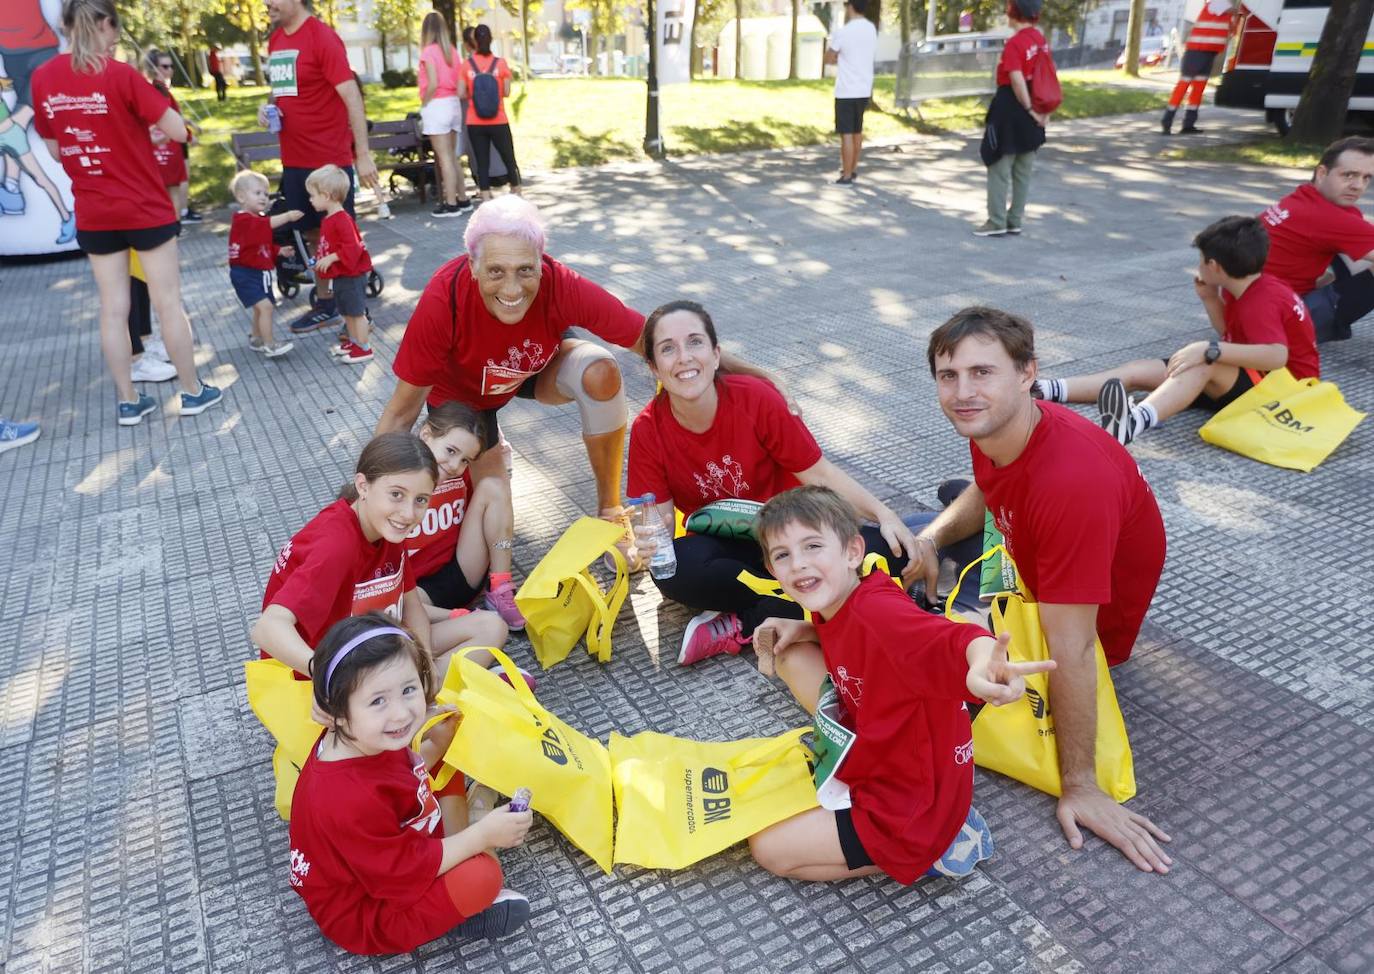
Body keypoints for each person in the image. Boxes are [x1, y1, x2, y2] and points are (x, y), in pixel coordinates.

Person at [374, 196, 787, 569]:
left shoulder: (561, 284)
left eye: (526, 270)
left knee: (600, 370)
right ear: (473, 266)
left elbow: (652, 338)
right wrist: (365, 512)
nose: (513, 287)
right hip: (466, 399)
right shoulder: (442, 301)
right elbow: (401, 412)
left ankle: (610, 510)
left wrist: (754, 373)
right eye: (495, 272)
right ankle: (494, 452)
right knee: (488, 521)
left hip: (534, 370)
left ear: (542, 261)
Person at [912, 306, 1173, 874]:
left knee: (918, 655)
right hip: (1028, 552)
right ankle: (937, 548)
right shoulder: (998, 423)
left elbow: (1074, 648)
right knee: (921, 526)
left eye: (983, 373)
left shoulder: (1069, 486)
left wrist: (1079, 785)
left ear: (1029, 372)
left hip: (1077, 620)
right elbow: (986, 485)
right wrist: (931, 541)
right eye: (948, 376)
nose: (963, 393)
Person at [744, 486, 1054, 882]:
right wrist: (804, 627)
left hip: (910, 806)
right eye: (783, 555)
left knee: (770, 849)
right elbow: (852, 636)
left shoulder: (880, 613)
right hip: (902, 760)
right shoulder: (845, 598)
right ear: (772, 569)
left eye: (813, 546)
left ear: (853, 551)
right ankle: (926, 831)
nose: (799, 565)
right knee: (790, 651)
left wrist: (983, 668)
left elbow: (955, 639)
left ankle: (931, 852)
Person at [626, 300, 926, 665]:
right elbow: (658, 525)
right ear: (654, 367)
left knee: (886, 552)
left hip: (792, 533)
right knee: (674, 570)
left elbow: (820, 474)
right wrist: (646, 540)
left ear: (716, 354)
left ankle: (748, 619)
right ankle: (810, 606)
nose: (684, 357)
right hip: (730, 547)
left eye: (695, 342)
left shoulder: (756, 399)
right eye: (668, 348)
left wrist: (885, 513)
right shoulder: (647, 429)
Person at [288, 613, 533, 954]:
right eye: (378, 701)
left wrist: (437, 746)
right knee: (483, 877)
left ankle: (465, 839)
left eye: (408, 690)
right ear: (337, 712)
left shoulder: (359, 736)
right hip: (370, 913)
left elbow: (399, 779)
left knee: (451, 747)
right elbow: (401, 873)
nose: (401, 713)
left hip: (386, 854)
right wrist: (483, 836)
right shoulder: (345, 798)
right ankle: (460, 904)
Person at [31, 0, 222, 426]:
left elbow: (57, 149)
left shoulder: (43, 78)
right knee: (168, 302)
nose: (117, 38)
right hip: (144, 208)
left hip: (94, 210)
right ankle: (192, 392)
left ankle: (128, 400)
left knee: (112, 308)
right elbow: (177, 131)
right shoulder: (121, 75)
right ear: (103, 24)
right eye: (114, 30)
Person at [1032, 215, 1318, 445]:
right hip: (1254, 375)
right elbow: (1233, 334)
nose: (1199, 266)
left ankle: (1133, 423)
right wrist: (1210, 298)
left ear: (1214, 266)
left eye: (1201, 260)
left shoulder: (1262, 300)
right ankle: (1042, 389)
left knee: (1203, 362)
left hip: (1285, 391)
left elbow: (1276, 356)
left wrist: (1209, 349)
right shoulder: (1244, 286)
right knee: (1140, 370)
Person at [250, 431, 508, 678]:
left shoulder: (386, 527)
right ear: (363, 485)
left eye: (421, 500)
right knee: (390, 688)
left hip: (371, 648)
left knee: (491, 626)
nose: (408, 513)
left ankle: (426, 689)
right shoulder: (336, 546)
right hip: (322, 673)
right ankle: (439, 691)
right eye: (396, 494)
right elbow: (266, 628)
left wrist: (425, 665)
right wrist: (327, 677)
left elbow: (413, 608)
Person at [260, 0, 381, 335]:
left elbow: (352, 97)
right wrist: (268, 109)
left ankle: (358, 316)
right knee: (314, 234)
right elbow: (283, 93)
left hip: (328, 159)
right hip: (295, 159)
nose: (266, 3)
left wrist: (364, 153)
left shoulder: (322, 38)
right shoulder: (276, 40)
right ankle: (327, 304)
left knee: (343, 237)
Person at [410, 402, 526, 629]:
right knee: (394, 609)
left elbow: (489, 514)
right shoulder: (398, 479)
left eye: (465, 460)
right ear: (426, 435)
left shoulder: (460, 478)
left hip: (461, 573)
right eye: (450, 451)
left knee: (494, 485)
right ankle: (456, 618)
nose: (455, 465)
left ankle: (500, 586)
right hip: (414, 591)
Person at [1260, 136, 1374, 344]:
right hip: (1282, 326)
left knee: (1357, 244)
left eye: (1367, 178)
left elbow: (1361, 229)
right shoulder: (1330, 219)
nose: (1358, 186)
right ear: (1322, 173)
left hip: (1253, 309)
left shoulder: (1303, 197)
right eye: (1349, 175)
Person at [975, 0, 1050, 237]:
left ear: (1015, 13)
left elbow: (1016, 79)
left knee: (999, 164)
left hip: (1010, 109)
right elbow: (1047, 77)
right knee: (1023, 169)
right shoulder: (1040, 41)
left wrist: (1028, 108)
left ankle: (996, 221)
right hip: (1035, 107)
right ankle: (1015, 219)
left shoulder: (1015, 43)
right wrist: (1041, 112)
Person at [229, 168, 301, 357]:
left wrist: (279, 250)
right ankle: (270, 344)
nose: (263, 198)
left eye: (266, 194)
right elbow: (265, 226)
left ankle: (256, 338)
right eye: (257, 193)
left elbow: (262, 244)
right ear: (241, 197)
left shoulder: (258, 218)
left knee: (260, 308)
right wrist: (287, 216)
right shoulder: (243, 219)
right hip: (245, 273)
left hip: (259, 273)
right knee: (266, 306)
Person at [307, 164, 375, 364]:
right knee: (346, 312)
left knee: (356, 313)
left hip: (352, 275)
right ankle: (354, 342)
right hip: (342, 274)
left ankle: (364, 347)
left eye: (312, 195)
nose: (310, 200)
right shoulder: (329, 219)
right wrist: (320, 260)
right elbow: (328, 246)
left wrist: (331, 258)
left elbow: (353, 248)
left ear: (326, 195)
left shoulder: (342, 219)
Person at [418, 11, 472, 218]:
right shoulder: (452, 51)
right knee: (452, 156)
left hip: (436, 105)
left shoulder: (428, 52)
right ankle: (463, 198)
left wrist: (424, 103)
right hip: (453, 105)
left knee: (444, 158)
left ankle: (450, 204)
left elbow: (432, 83)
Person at [457, 24, 520, 200]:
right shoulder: (500, 64)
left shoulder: (466, 65)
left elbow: (461, 93)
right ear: (491, 40)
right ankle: (517, 193)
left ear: (474, 41)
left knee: (482, 162)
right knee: (509, 158)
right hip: (499, 120)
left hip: (475, 122)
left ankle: (486, 199)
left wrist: (474, 94)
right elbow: (506, 92)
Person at [143, 48, 201, 224]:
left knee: (173, 188)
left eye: (171, 66)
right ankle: (171, 225)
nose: (170, 70)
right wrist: (189, 136)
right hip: (162, 145)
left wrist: (188, 128)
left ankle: (174, 225)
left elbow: (174, 116)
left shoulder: (164, 91)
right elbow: (164, 119)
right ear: (154, 68)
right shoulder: (154, 90)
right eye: (165, 66)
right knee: (166, 190)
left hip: (169, 143)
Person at [1160, 0, 1235, 135]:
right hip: (1197, 51)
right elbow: (1232, 11)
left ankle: (1188, 125)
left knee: (1198, 88)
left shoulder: (1224, 6)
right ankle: (1167, 120)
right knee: (1184, 85)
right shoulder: (1217, 2)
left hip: (1208, 53)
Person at [823, 0, 877, 185]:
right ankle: (852, 169)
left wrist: (838, 55)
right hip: (864, 88)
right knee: (857, 131)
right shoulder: (871, 29)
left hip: (846, 90)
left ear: (850, 7)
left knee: (846, 133)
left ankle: (846, 175)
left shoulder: (843, 32)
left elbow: (828, 58)